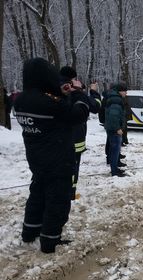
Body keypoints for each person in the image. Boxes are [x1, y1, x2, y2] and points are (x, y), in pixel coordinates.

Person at [14, 58, 89, 253]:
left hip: (36, 158)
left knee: (37, 194)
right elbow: (77, 115)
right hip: (57, 159)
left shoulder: (21, 100)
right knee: (57, 201)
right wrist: (78, 93)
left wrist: (61, 94)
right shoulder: (49, 103)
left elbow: (55, 114)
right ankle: (50, 240)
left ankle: (29, 231)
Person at [59, 66, 101, 200]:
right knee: (73, 167)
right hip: (75, 138)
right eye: (74, 80)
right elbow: (95, 106)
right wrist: (93, 92)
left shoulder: (55, 90)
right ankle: (70, 192)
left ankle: (62, 191)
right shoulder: (75, 94)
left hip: (59, 139)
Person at [105, 83, 128, 176]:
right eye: (125, 91)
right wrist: (118, 128)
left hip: (111, 128)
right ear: (120, 91)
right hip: (114, 130)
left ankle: (115, 168)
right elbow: (113, 115)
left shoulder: (114, 98)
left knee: (114, 149)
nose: (126, 93)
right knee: (115, 150)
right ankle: (114, 171)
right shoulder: (116, 100)